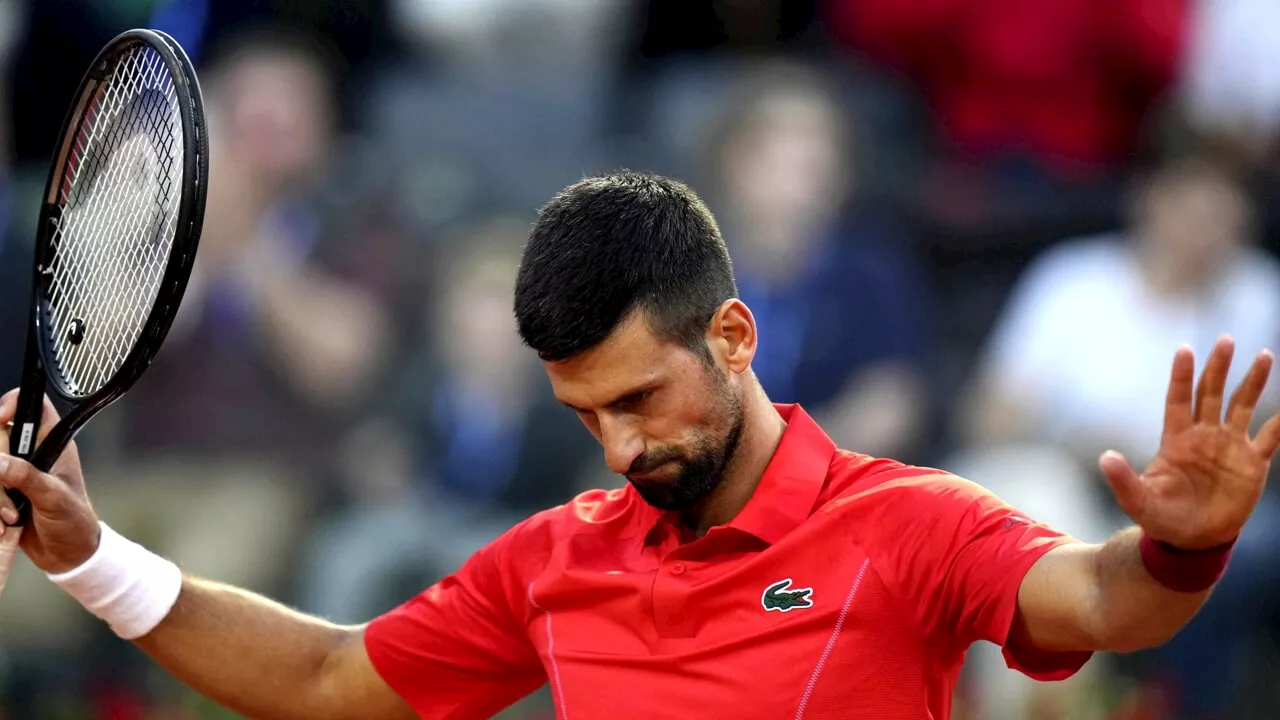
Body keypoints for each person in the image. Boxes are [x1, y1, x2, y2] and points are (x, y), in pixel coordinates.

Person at [0, 171, 1276, 719]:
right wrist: (92, 555)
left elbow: (1102, 601)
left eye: (637, 402)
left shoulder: (910, 524)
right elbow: (336, 681)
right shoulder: (559, 556)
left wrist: (1180, 551)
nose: (615, 452)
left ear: (731, 334)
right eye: (581, 417)